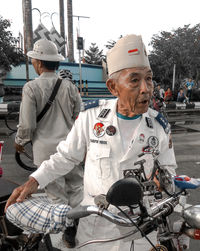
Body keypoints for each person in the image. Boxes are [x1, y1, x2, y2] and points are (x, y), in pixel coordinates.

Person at [5, 34, 177, 251]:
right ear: (113, 87)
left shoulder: (159, 126)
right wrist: (33, 182)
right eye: (134, 80)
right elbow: (65, 157)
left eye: (149, 79)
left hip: (142, 229)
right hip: (96, 229)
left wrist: (165, 182)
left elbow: (168, 168)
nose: (146, 88)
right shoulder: (91, 117)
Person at [14, 38, 83, 248]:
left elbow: (27, 124)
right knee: (77, 188)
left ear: (38, 63)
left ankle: (64, 234)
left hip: (45, 151)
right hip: (70, 147)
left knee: (56, 194)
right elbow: (78, 115)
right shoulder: (69, 86)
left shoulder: (31, 87)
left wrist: (20, 142)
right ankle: (73, 229)